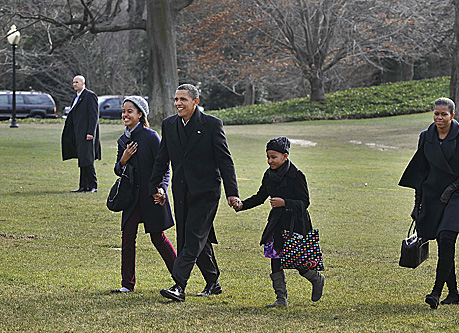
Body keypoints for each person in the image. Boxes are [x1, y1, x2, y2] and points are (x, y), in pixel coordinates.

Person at [149, 83, 239, 302]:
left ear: (195, 102)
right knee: (199, 238)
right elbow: (162, 159)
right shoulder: (169, 125)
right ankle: (213, 282)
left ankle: (179, 285)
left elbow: (225, 161)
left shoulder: (212, 124)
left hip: (207, 192)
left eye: (183, 100)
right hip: (181, 191)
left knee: (193, 237)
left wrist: (232, 192)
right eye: (176, 99)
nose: (178, 103)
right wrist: (156, 186)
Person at [399, 97, 459, 309]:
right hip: (433, 195)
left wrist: (452, 189)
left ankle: (436, 292)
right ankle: (453, 293)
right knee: (441, 241)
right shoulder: (426, 137)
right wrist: (417, 205)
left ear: (452, 116)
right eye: (436, 113)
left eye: (444, 114)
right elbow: (421, 173)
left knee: (447, 238)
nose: (439, 118)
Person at [233, 137, 325, 307]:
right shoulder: (269, 175)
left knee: (298, 261)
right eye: (268, 157)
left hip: (296, 224)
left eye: (274, 157)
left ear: (285, 156)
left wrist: (285, 202)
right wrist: (242, 205)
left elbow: (305, 202)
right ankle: (281, 299)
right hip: (277, 223)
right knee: (275, 259)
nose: (270, 161)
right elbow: (261, 196)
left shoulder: (297, 175)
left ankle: (316, 278)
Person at [111, 96, 177, 293]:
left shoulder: (151, 137)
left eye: (130, 111)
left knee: (158, 238)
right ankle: (127, 285)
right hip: (131, 199)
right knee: (127, 237)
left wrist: (162, 189)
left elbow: (165, 167)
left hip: (152, 197)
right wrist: (124, 159)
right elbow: (117, 169)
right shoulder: (123, 140)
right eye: (124, 111)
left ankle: (180, 279)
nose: (125, 115)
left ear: (140, 114)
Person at [61, 75, 101, 192]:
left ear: (83, 83)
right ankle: (83, 186)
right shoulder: (76, 97)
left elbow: (94, 116)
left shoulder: (90, 96)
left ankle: (93, 186)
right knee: (82, 159)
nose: (74, 84)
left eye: (77, 82)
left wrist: (90, 133)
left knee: (87, 159)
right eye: (73, 82)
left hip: (87, 134)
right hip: (78, 134)